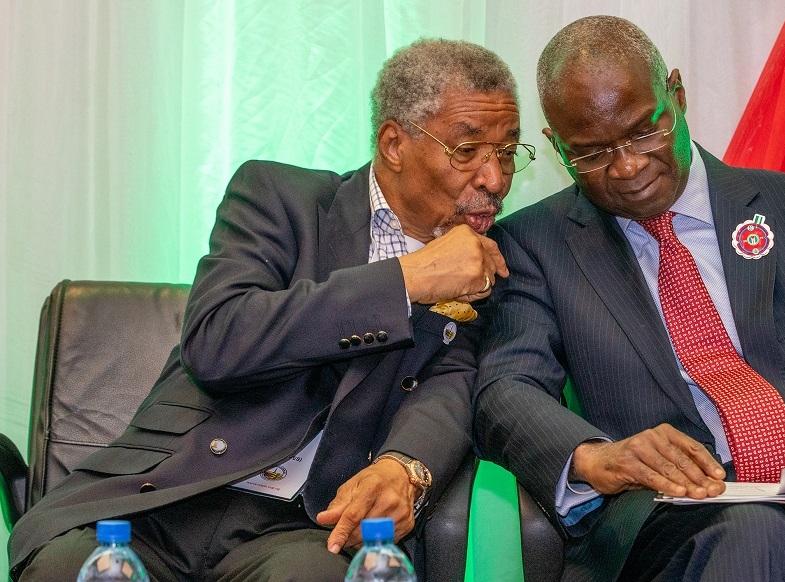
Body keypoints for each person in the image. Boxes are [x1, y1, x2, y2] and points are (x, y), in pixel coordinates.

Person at [473, 15, 785, 582]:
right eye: (592, 154)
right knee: (757, 541)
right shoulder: (534, 246)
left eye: (643, 132)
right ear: (555, 145)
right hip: (675, 513)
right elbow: (507, 388)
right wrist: (596, 457)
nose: (627, 167)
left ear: (676, 94)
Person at [10, 38, 534, 581]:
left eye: (507, 154)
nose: (494, 180)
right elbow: (218, 342)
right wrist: (408, 279)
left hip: (304, 527)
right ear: (394, 144)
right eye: (467, 152)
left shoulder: (491, 263)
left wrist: (407, 467)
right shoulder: (281, 198)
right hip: (162, 499)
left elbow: (454, 385)